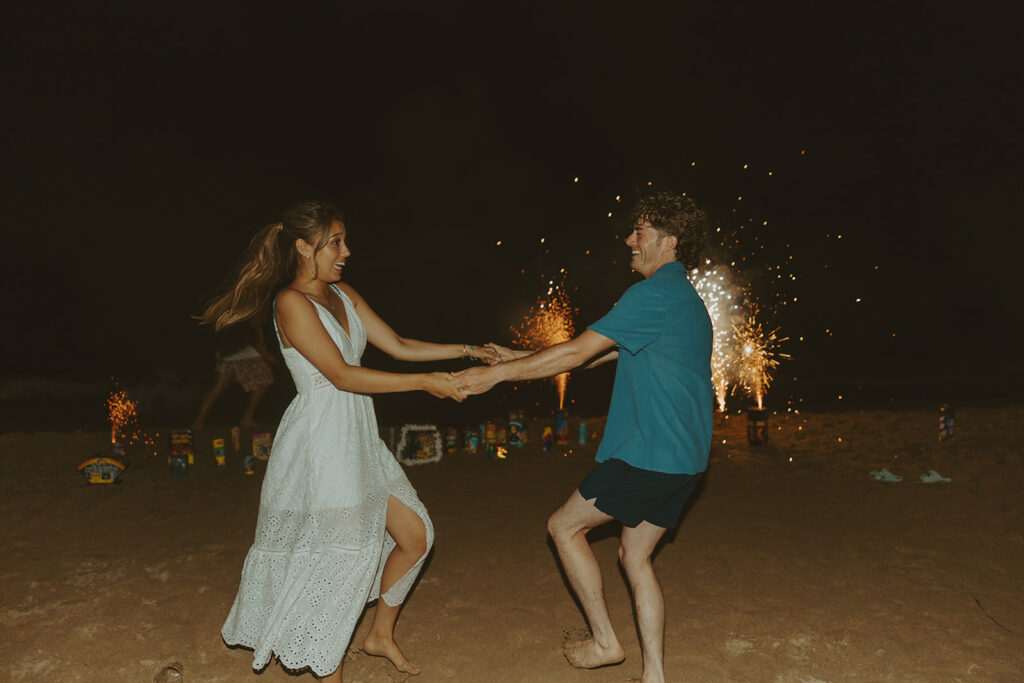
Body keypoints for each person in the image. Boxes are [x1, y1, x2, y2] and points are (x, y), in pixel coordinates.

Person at [202, 200, 497, 682]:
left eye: (344, 240)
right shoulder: (290, 302)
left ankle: (379, 635)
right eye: (336, 241)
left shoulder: (343, 291)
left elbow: (398, 345)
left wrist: (468, 350)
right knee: (341, 563)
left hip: (358, 436)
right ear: (303, 246)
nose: (346, 251)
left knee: (416, 537)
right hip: (322, 443)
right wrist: (426, 383)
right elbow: (340, 375)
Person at [455, 192, 713, 683]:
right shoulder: (684, 299)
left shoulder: (651, 294)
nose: (628, 240)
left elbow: (575, 355)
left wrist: (496, 378)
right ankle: (654, 675)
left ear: (668, 241)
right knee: (635, 556)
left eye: (639, 232)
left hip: (649, 454)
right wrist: (516, 358)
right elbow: (603, 354)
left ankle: (605, 642)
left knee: (564, 527)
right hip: (686, 460)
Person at [192, 310, 276, 429]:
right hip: (240, 350)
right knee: (265, 379)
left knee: (217, 387)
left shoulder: (239, 307)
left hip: (227, 351)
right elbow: (254, 332)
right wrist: (265, 353)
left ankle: (198, 421)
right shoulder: (254, 306)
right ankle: (247, 417)